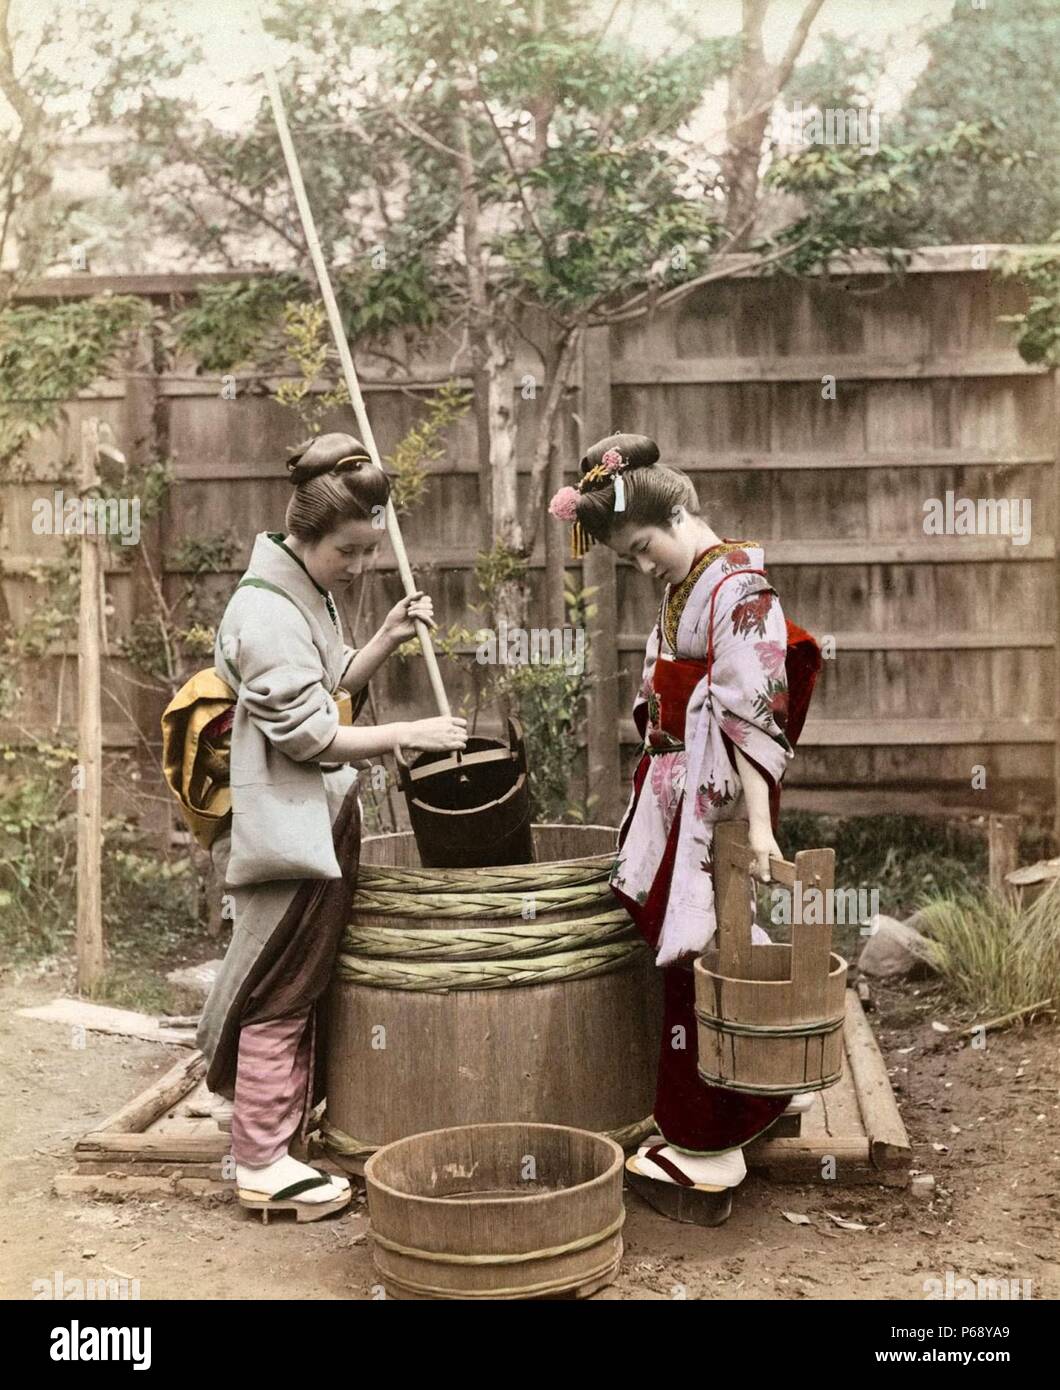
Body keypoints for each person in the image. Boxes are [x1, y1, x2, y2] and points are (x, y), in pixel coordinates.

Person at [196, 432, 468, 1221]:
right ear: (305, 538)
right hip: (286, 833)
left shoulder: (300, 593)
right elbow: (310, 736)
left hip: (316, 821)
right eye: (348, 551)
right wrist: (405, 735)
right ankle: (260, 1161)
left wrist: (383, 635)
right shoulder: (266, 613)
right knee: (279, 985)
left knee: (297, 980)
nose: (358, 566)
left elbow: (329, 686)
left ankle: (271, 1136)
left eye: (367, 551)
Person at [548, 432, 818, 1211]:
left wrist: (761, 827)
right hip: (677, 780)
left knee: (695, 950)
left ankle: (710, 1143)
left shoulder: (738, 588)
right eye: (628, 557)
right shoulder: (692, 584)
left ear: (681, 511)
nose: (641, 566)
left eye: (641, 548)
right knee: (691, 938)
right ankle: (764, 1085)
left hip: (714, 793)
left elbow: (751, 714)